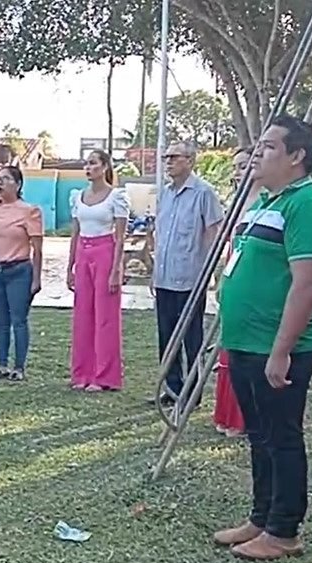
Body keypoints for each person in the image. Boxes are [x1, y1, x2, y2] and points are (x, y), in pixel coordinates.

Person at [212, 114, 312, 560]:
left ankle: (284, 530)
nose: (257, 155)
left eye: (267, 148)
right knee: (259, 435)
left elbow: (307, 283)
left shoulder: (307, 205)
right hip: (245, 343)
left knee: (281, 437)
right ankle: (261, 517)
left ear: (296, 156)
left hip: (280, 348)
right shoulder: (265, 201)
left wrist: (281, 350)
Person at [149, 141, 224, 405]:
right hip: (165, 277)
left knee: (192, 338)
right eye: (166, 157)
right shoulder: (165, 194)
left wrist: (210, 271)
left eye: (174, 157)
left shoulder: (204, 193)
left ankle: (193, 392)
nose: (168, 161)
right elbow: (160, 236)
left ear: (190, 161)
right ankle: (171, 388)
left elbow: (214, 233)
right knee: (166, 337)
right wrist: (154, 271)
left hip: (191, 278)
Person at [0, 166, 44, 381]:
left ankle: (19, 367)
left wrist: (36, 279)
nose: (0, 183)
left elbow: (37, 249)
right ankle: (1, 364)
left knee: (19, 319)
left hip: (19, 271)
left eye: (5, 179)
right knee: (0, 320)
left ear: (18, 184)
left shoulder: (30, 211)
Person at [67, 149, 131, 391]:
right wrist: (70, 267)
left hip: (105, 252)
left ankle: (105, 376)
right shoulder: (78, 196)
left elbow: (121, 237)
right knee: (83, 314)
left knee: (105, 316)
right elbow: (75, 233)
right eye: (86, 163)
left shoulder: (116, 196)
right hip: (83, 252)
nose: (88, 168)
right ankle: (82, 373)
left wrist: (116, 269)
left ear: (104, 167)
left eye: (93, 163)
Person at [212, 146, 262, 437]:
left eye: (244, 166)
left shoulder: (267, 201)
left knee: (246, 350)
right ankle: (226, 413)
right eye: (236, 167)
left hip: (254, 280)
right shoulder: (237, 203)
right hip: (233, 274)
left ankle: (244, 416)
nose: (238, 172)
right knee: (228, 346)